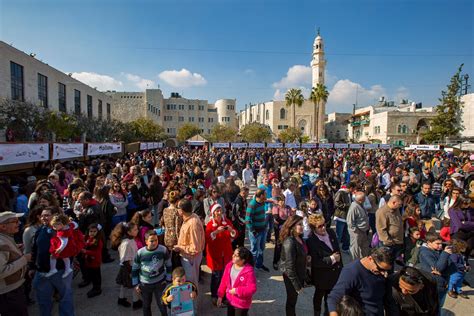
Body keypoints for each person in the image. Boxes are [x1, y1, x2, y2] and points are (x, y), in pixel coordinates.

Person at [31, 207, 75, 316]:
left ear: (55, 216)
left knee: (65, 299)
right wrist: (32, 266)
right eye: (42, 216)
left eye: (46, 215)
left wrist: (66, 267)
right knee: (43, 301)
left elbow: (72, 249)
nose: (43, 218)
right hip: (42, 273)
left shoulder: (64, 231)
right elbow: (35, 249)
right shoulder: (40, 230)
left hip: (60, 272)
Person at [327, 247, 393, 316]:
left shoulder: (382, 271)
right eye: (380, 269)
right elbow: (334, 297)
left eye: (387, 270)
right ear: (370, 259)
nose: (384, 274)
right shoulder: (352, 271)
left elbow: (388, 299)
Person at [306, 213, 342, 316]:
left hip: (335, 274)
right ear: (313, 228)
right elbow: (316, 261)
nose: (323, 228)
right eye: (319, 226)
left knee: (330, 299)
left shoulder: (331, 232)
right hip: (322, 276)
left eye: (324, 224)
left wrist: (341, 268)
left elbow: (338, 251)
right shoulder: (311, 241)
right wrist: (332, 259)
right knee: (318, 297)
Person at [132, 230, 172, 316]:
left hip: (160, 283)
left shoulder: (163, 250)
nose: (154, 242)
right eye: (151, 241)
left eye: (156, 240)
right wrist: (135, 284)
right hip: (145, 285)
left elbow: (169, 265)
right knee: (146, 305)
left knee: (162, 304)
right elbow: (135, 269)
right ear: (146, 241)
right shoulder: (140, 253)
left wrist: (168, 280)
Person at [205, 204, 237, 306]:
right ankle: (215, 296)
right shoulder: (210, 224)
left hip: (226, 254)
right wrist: (215, 232)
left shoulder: (227, 222)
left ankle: (223, 297)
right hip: (216, 256)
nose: (219, 212)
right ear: (213, 212)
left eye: (220, 210)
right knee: (216, 277)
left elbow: (235, 234)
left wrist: (231, 231)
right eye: (217, 211)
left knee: (225, 276)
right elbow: (207, 239)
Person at [0, 211, 30, 316]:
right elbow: (1, 272)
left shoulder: (6, 237)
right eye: (15, 221)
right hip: (8, 294)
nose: (19, 223)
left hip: (12, 291)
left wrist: (16, 249)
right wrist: (24, 259)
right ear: (3, 226)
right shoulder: (1, 243)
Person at [173, 198, 205, 288]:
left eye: (178, 208)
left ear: (182, 210)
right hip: (188, 257)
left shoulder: (193, 224)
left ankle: (191, 301)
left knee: (191, 283)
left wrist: (180, 248)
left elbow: (195, 248)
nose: (177, 209)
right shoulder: (190, 216)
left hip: (191, 258)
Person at [217, 247, 257, 316]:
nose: (233, 256)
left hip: (242, 303)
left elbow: (252, 288)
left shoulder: (249, 271)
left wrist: (237, 291)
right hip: (230, 300)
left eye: (236, 256)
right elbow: (224, 281)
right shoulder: (229, 266)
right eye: (233, 254)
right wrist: (220, 296)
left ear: (243, 260)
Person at [279, 215, 307, 316]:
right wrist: (297, 286)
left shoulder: (299, 237)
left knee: (293, 300)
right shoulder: (289, 242)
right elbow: (289, 268)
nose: (302, 226)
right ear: (292, 226)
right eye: (299, 224)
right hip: (291, 276)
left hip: (298, 272)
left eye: (302, 224)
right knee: (291, 301)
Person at [111, 222, 142, 309]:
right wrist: (131, 272)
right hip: (129, 268)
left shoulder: (131, 240)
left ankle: (121, 299)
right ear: (128, 232)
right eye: (135, 230)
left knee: (123, 284)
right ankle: (136, 302)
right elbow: (125, 260)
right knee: (134, 285)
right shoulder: (126, 243)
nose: (137, 231)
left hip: (130, 267)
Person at [417, 232, 452, 307]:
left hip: (443, 283)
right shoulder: (425, 252)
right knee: (435, 307)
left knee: (439, 306)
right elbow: (439, 267)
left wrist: (442, 272)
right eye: (437, 243)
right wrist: (445, 254)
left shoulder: (439, 251)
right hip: (434, 285)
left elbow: (453, 267)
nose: (440, 246)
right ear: (429, 242)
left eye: (441, 243)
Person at [245, 189, 269, 271]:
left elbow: (269, 200)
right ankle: (250, 269)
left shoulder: (262, 201)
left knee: (261, 249)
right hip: (255, 232)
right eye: (265, 194)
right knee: (254, 251)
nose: (266, 195)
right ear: (261, 195)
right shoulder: (252, 204)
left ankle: (259, 265)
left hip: (263, 230)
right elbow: (247, 220)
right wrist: (253, 231)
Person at [376, 195, 403, 264]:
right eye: (399, 204)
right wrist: (388, 241)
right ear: (394, 202)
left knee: (391, 262)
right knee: (386, 262)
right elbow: (381, 229)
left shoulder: (396, 209)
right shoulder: (382, 212)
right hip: (388, 243)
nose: (400, 206)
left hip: (396, 241)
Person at [161, 191, 183, 269]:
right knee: (175, 258)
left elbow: (162, 223)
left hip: (167, 235)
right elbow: (178, 227)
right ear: (177, 201)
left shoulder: (165, 210)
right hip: (174, 237)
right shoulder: (177, 212)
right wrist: (179, 240)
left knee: (168, 256)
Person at [81, 223, 103, 298]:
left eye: (94, 231)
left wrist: (85, 251)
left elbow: (96, 253)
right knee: (93, 276)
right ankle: (94, 288)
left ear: (97, 232)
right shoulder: (88, 238)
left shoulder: (98, 241)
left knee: (96, 276)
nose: (92, 233)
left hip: (95, 262)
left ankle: (97, 289)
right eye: (91, 231)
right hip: (89, 262)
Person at [347, 192, 370, 259]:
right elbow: (350, 222)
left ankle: (364, 260)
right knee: (355, 249)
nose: (365, 199)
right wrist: (355, 231)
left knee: (365, 246)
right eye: (364, 198)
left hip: (363, 231)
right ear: (360, 200)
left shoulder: (361, 204)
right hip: (357, 232)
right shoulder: (354, 207)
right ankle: (355, 263)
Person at [333, 183, 353, 253]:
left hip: (347, 216)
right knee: (339, 234)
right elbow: (336, 203)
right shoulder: (341, 192)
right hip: (341, 216)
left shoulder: (349, 193)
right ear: (350, 188)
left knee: (347, 234)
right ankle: (336, 249)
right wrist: (346, 205)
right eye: (352, 189)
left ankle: (345, 248)